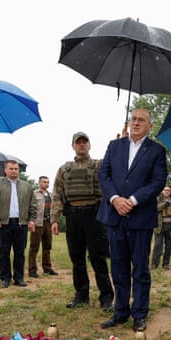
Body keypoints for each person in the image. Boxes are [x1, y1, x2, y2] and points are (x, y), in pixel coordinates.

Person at [97, 109, 168, 332]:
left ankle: (139, 313)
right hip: (115, 216)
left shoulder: (156, 151)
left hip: (140, 217)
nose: (136, 123)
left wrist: (133, 200)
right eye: (133, 119)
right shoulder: (114, 145)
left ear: (150, 126)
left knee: (140, 268)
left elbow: (158, 181)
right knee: (118, 266)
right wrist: (116, 199)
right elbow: (103, 175)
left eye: (142, 120)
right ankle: (120, 311)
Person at [51, 131, 114, 311]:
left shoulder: (99, 165)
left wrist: (120, 143)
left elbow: (115, 164)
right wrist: (54, 219)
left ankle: (106, 297)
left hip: (94, 216)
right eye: (78, 142)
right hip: (73, 217)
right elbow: (57, 194)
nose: (81, 145)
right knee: (77, 259)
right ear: (73, 146)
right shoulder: (65, 169)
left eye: (84, 142)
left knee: (98, 258)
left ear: (89, 145)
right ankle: (81, 295)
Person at [0, 160, 37, 288]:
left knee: (20, 252)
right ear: (5, 170)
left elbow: (33, 204)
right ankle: (5, 278)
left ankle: (19, 278)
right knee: (4, 252)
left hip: (21, 224)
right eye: (11, 168)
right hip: (3, 223)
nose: (14, 171)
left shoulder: (27, 186)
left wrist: (31, 220)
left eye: (16, 169)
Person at [28, 176, 57, 278]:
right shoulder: (34, 194)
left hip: (48, 223)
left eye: (48, 182)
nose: (46, 184)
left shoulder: (51, 195)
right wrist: (30, 221)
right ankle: (32, 269)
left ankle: (47, 268)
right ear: (39, 183)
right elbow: (30, 208)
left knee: (47, 246)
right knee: (34, 247)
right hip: (37, 223)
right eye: (44, 182)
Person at [151, 186, 171, 270]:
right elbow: (155, 208)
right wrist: (165, 204)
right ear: (162, 191)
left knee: (168, 246)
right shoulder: (157, 199)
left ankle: (166, 264)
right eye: (165, 190)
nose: (167, 191)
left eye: (169, 190)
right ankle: (154, 264)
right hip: (159, 225)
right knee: (158, 245)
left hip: (170, 225)